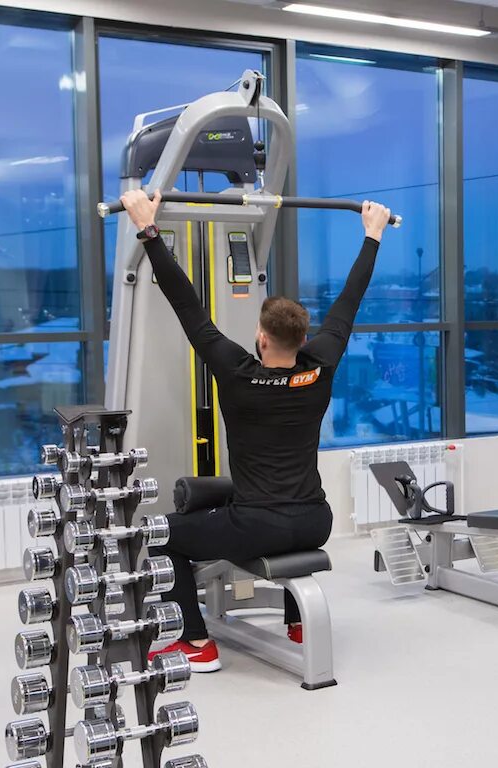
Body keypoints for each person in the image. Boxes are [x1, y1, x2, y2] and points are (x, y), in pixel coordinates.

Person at [120, 188, 392, 673]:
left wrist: (149, 229)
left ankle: (196, 642)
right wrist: (372, 235)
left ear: (261, 338)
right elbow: (349, 302)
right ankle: (298, 623)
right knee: (230, 504)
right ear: (304, 338)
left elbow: (188, 307)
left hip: (257, 526)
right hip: (315, 520)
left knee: (161, 535)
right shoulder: (320, 365)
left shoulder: (236, 370)